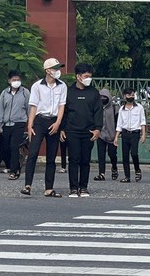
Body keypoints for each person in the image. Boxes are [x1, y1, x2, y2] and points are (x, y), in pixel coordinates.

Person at [21, 58, 68, 198]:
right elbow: (33, 106)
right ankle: (27, 185)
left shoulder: (62, 86)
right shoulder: (37, 86)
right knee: (33, 153)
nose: (58, 71)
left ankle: (49, 188)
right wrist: (30, 125)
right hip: (40, 121)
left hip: (54, 121)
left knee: (51, 157)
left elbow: (62, 106)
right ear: (47, 70)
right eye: (55, 68)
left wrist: (58, 123)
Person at [60, 63, 102, 198]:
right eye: (86, 76)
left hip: (88, 131)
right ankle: (73, 188)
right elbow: (64, 112)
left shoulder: (94, 93)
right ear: (78, 77)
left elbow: (98, 112)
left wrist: (98, 129)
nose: (88, 78)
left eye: (90, 76)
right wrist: (62, 128)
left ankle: (83, 187)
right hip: (72, 131)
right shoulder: (69, 92)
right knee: (73, 159)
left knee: (85, 160)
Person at [0, 70, 30, 180]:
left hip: (19, 123)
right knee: (6, 148)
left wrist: (30, 124)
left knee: (14, 147)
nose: (16, 82)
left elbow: (29, 108)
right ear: (9, 81)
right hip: (6, 124)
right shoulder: (4, 93)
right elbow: (0, 109)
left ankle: (13, 171)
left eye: (18, 80)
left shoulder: (25, 92)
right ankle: (15, 167)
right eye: (14, 80)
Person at [114, 88, 146, 183]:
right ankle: (127, 176)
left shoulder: (139, 107)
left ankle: (137, 169)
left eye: (132, 95)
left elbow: (143, 121)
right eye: (129, 95)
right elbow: (119, 124)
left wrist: (143, 134)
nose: (131, 97)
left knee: (134, 153)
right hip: (125, 133)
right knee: (125, 156)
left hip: (135, 133)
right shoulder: (121, 109)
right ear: (124, 96)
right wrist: (116, 137)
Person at [94, 88, 119, 181]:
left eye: (105, 97)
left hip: (112, 135)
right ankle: (101, 173)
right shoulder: (97, 108)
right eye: (101, 97)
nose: (103, 99)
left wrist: (117, 134)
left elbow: (118, 122)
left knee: (112, 154)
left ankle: (114, 167)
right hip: (100, 134)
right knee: (101, 154)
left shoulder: (114, 108)